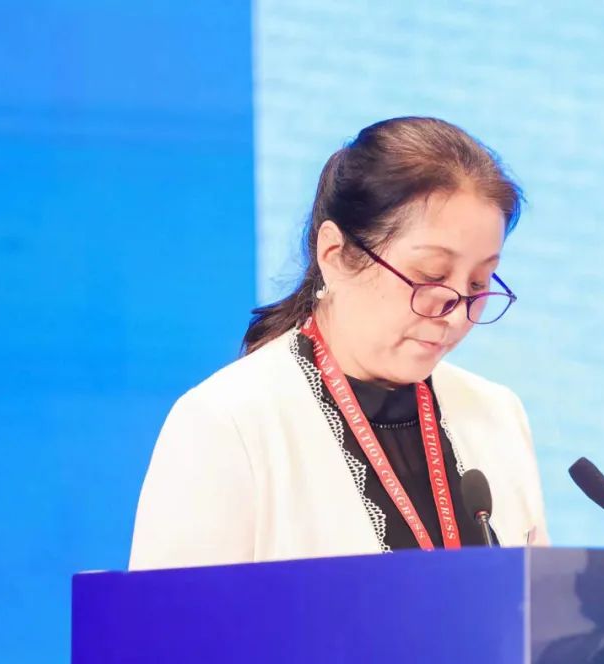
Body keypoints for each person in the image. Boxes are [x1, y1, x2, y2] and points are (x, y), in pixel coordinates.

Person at [129, 117, 550, 570]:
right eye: (431, 276)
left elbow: (541, 605)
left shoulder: (496, 414)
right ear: (334, 254)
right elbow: (169, 615)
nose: (456, 313)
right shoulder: (229, 423)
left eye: (479, 283)